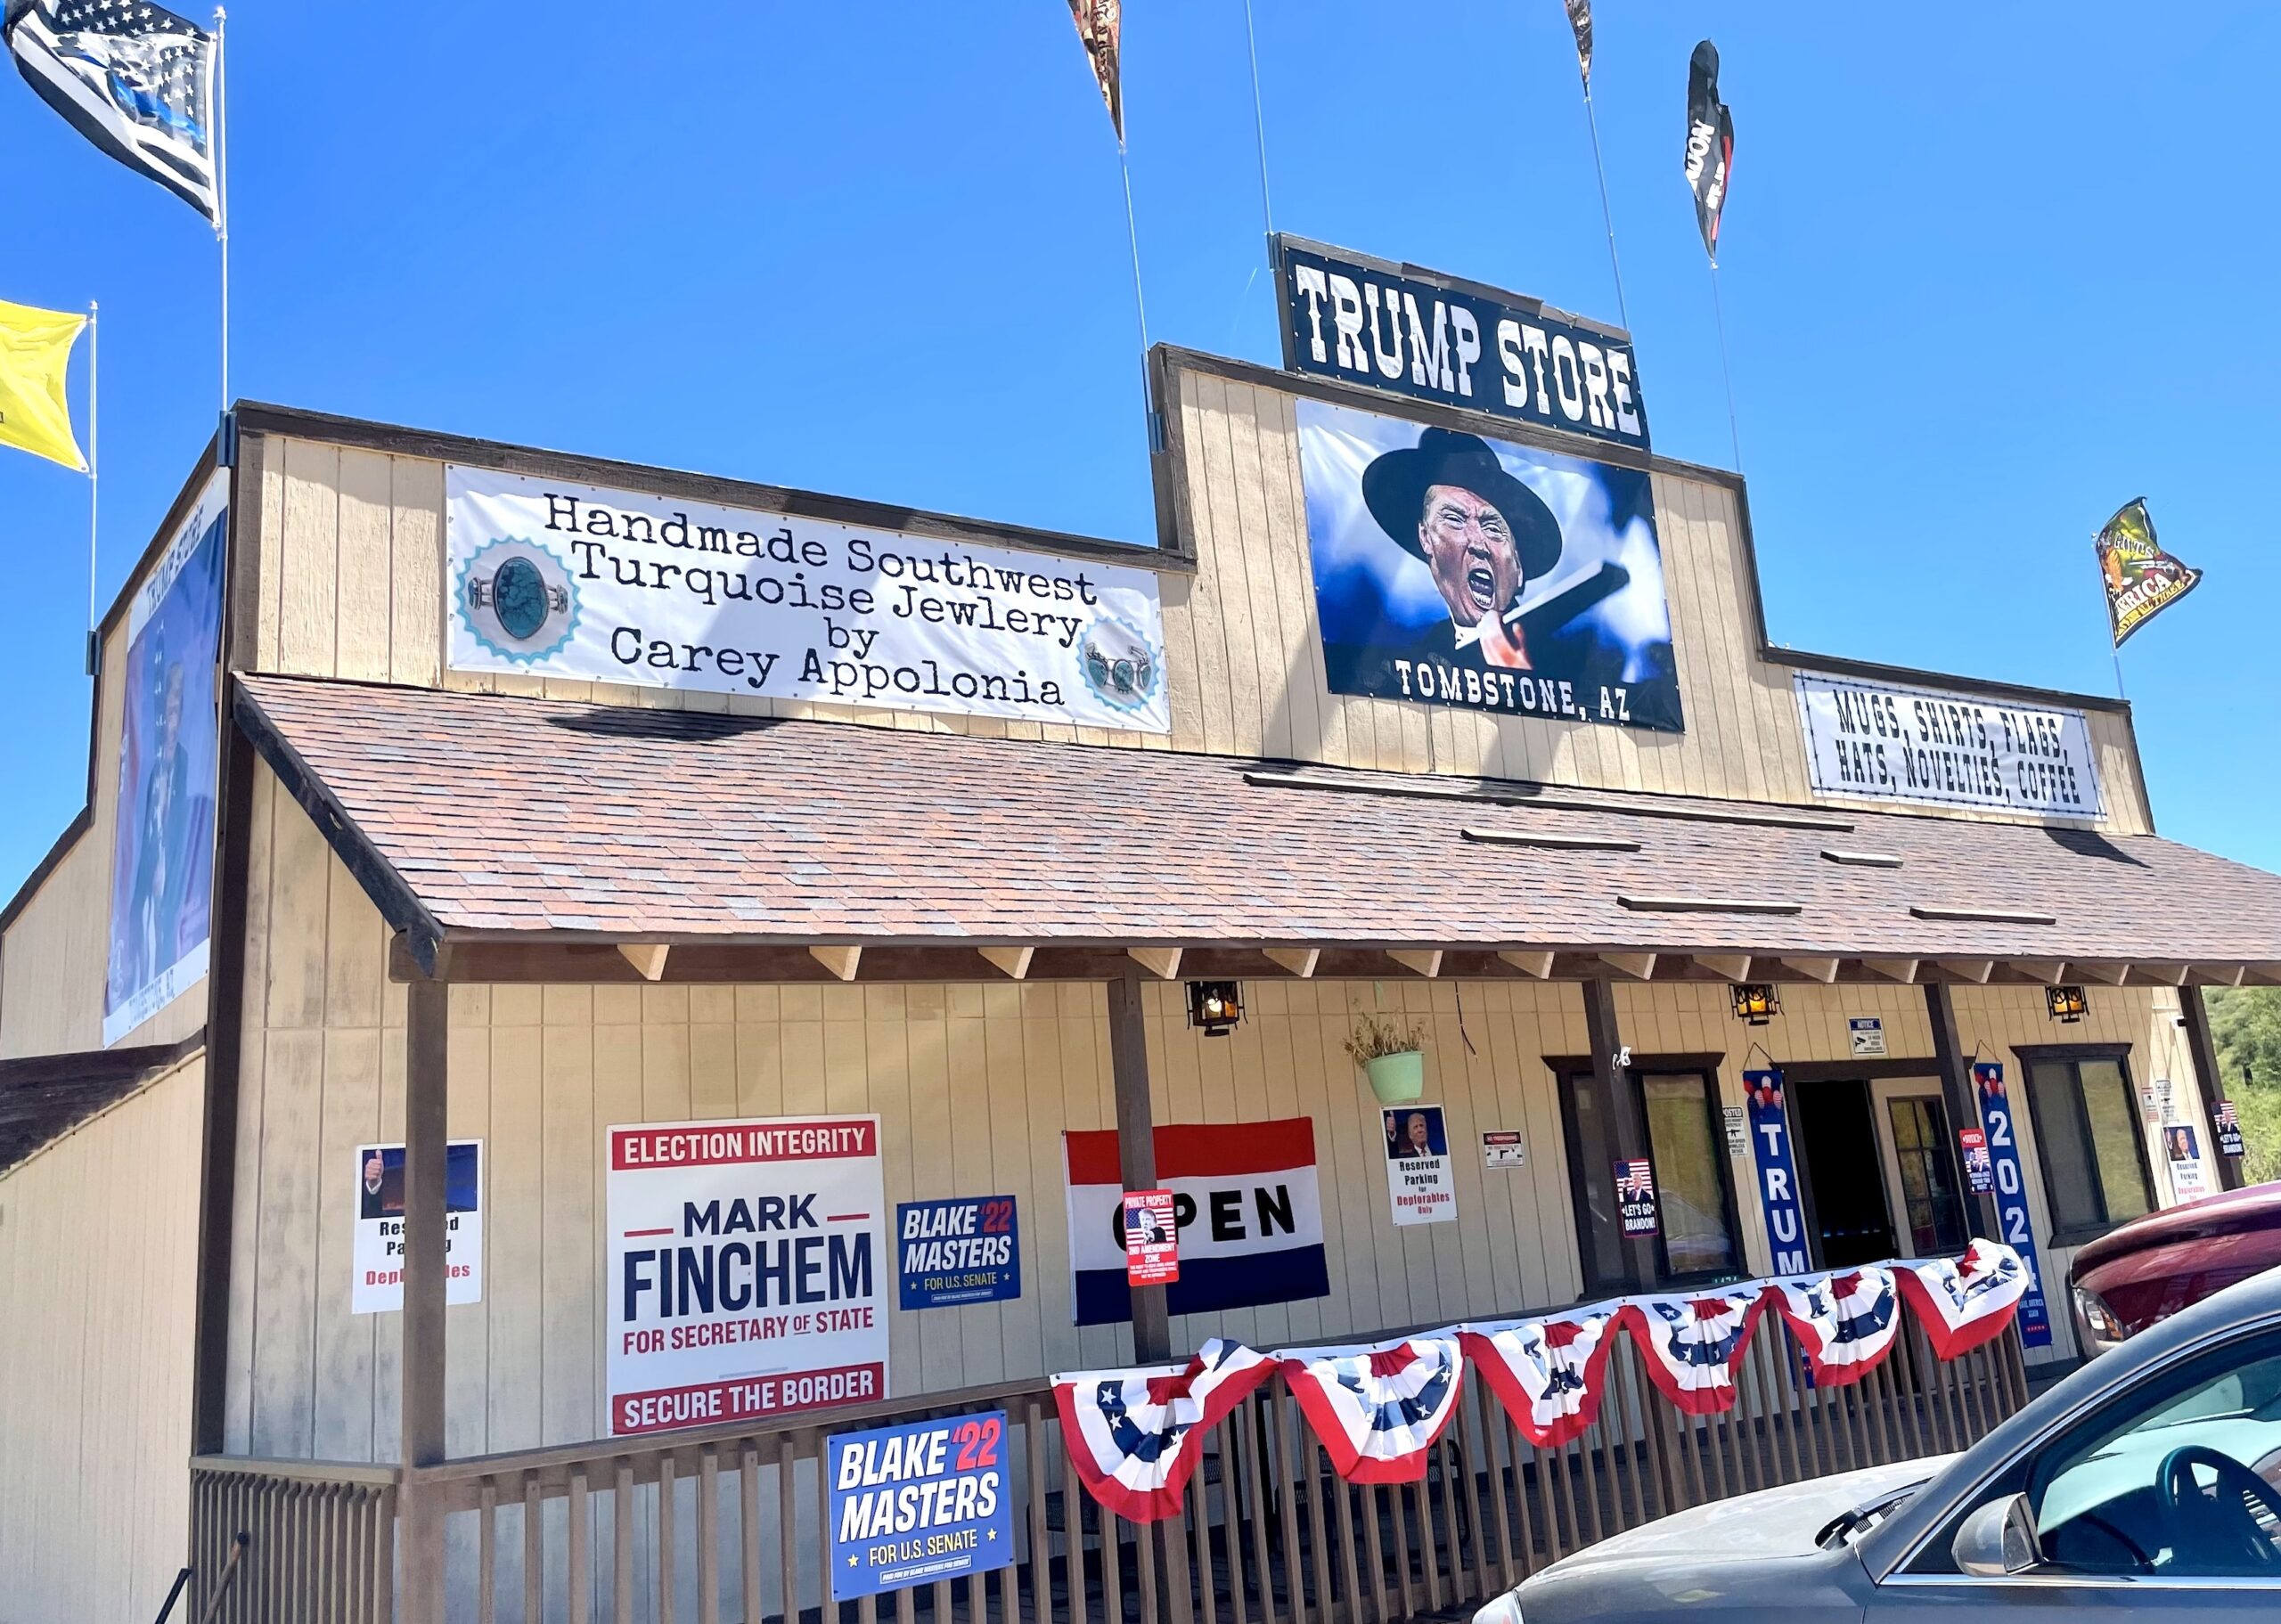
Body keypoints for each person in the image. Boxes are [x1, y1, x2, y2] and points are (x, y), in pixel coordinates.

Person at [1361, 426, 1564, 671]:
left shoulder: (1561, 661)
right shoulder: (1415, 666)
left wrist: (1525, 681)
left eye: (1492, 527)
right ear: (1426, 538)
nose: (1479, 544)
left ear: (1518, 566)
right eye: (1455, 520)